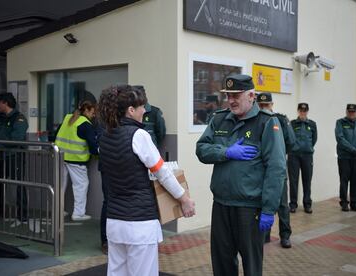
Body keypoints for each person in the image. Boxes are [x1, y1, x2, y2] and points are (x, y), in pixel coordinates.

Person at [98, 84, 195, 276]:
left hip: (115, 223)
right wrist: (184, 199)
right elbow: (163, 173)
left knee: (117, 272)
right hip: (139, 223)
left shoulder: (105, 136)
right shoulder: (139, 135)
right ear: (131, 110)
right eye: (141, 106)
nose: (145, 110)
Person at [196, 75, 286, 276]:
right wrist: (225, 152)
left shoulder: (266, 123)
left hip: (249, 209)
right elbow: (201, 149)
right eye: (228, 95)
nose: (231, 100)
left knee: (251, 266)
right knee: (221, 263)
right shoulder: (219, 119)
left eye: (236, 95)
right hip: (221, 205)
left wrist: (269, 209)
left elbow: (276, 168)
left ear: (251, 95)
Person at [257, 92, 295, 249]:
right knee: (262, 203)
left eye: (267, 105)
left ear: (272, 105)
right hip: (260, 170)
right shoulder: (255, 121)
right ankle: (264, 235)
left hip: (277, 168)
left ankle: (285, 236)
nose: (265, 108)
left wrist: (278, 152)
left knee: (282, 205)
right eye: (261, 106)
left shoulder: (281, 120)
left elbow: (291, 141)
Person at [55, 101, 98, 221]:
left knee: (60, 185)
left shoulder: (67, 118)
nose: (94, 116)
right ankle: (78, 214)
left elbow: (56, 135)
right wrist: (98, 153)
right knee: (80, 186)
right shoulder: (85, 124)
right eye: (93, 113)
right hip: (76, 160)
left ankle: (58, 210)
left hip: (61, 157)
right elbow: (93, 145)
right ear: (87, 111)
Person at [0, 92, 29, 223]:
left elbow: (16, 138)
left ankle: (23, 214)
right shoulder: (0, 117)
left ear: (5, 103)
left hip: (14, 156)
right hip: (1, 156)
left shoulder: (19, 118)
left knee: (19, 184)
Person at [335, 104, 356, 212]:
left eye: (353, 112)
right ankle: (344, 203)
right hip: (344, 157)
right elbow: (340, 138)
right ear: (346, 112)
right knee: (344, 180)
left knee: (355, 180)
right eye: (349, 111)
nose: (351, 113)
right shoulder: (340, 122)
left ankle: (355, 203)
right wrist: (352, 149)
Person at [288, 103, 317, 214]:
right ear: (298, 111)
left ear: (307, 111)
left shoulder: (312, 124)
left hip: (307, 156)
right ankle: (293, 205)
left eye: (304, 111)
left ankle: (307, 205)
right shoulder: (292, 123)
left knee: (307, 181)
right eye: (301, 110)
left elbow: (314, 139)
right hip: (294, 156)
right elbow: (289, 138)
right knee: (293, 181)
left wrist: (307, 148)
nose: (302, 112)